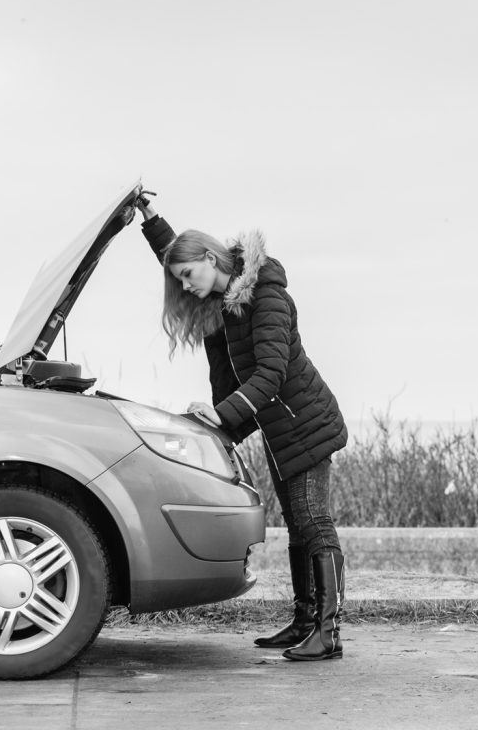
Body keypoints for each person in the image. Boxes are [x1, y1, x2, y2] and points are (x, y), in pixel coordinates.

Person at [134, 192, 348, 661]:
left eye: (189, 276)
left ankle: (328, 632)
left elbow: (270, 375)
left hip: (305, 423)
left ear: (212, 259)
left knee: (314, 522)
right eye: (180, 280)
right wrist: (152, 222)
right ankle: (304, 621)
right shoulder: (222, 295)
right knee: (297, 524)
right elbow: (179, 255)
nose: (186, 288)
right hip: (277, 426)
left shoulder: (267, 298)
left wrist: (223, 414)